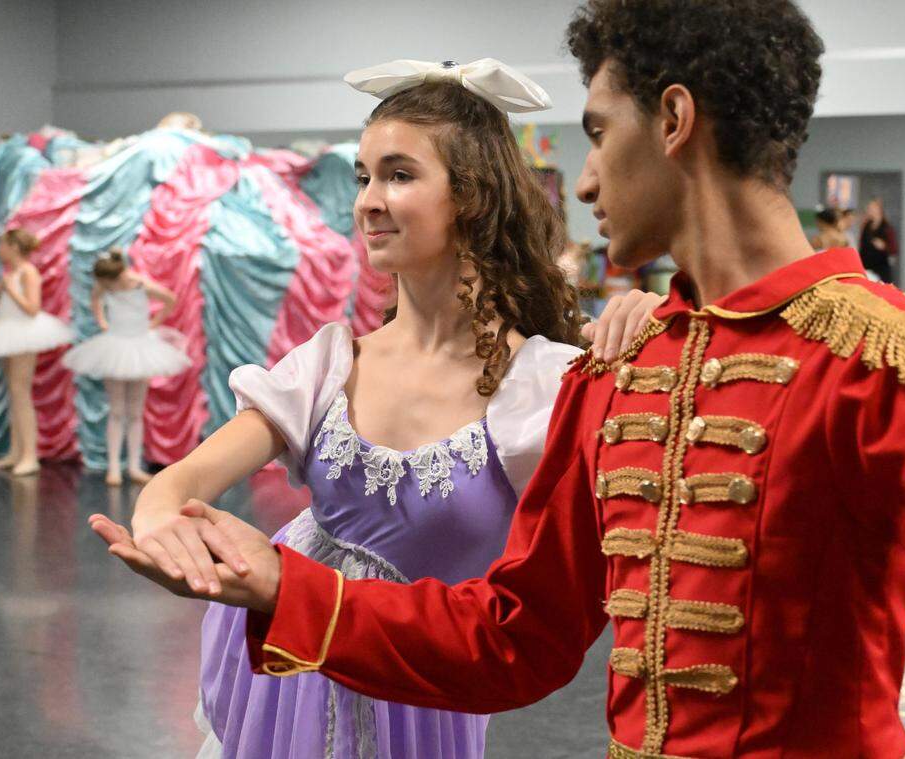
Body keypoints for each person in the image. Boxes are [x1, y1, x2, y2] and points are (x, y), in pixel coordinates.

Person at [94, 1, 905, 756]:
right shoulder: (620, 378)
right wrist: (286, 586)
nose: (582, 180)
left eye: (596, 133)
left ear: (672, 122)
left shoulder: (887, 359)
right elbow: (516, 640)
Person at [95, 60, 659, 759]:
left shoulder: (543, 385)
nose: (366, 200)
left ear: (474, 197)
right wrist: (159, 525)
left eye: (398, 174)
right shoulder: (333, 363)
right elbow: (181, 482)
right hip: (283, 680)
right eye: (363, 176)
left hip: (416, 696)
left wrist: (657, 322)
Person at [63, 248, 188, 485]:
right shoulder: (104, 286)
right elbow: (96, 301)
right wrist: (102, 322)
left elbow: (170, 299)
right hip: (115, 346)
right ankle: (114, 468)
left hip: (140, 345)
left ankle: (133, 466)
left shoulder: (140, 284)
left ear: (115, 275)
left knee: (135, 410)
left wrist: (154, 323)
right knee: (117, 409)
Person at [0, 228, 73, 476]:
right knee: (12, 394)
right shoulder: (11, 273)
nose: (0, 250)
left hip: (24, 333)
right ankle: (16, 450)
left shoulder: (28, 272)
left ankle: (30, 455)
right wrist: (0, 292)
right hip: (7, 332)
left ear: (14, 247)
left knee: (20, 392)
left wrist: (10, 290)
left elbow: (33, 308)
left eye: (3, 245)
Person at [859, 197, 898, 283]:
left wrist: (884, 246)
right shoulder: (866, 226)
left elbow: (894, 249)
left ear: (879, 210)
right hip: (866, 266)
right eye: (869, 208)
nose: (870, 210)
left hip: (881, 268)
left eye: (873, 208)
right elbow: (862, 246)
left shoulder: (887, 228)